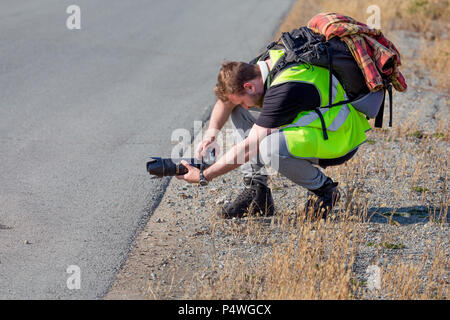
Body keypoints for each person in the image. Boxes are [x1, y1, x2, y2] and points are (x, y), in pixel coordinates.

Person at [176, 48, 383, 220]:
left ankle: (325, 192)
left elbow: (249, 148)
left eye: (243, 98)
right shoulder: (260, 65)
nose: (248, 108)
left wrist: (204, 176)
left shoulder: (284, 88)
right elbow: (227, 100)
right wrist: (210, 136)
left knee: (269, 148)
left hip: (339, 136)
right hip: (317, 126)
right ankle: (257, 194)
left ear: (249, 86)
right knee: (238, 109)